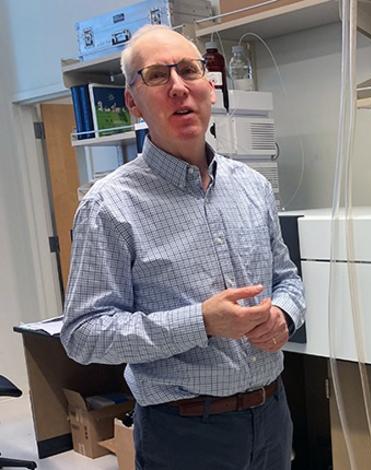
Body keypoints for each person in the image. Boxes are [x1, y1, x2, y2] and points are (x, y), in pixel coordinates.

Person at [61, 25, 305, 470]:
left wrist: (283, 314)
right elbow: (83, 334)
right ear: (132, 102)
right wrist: (201, 323)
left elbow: (287, 280)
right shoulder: (109, 207)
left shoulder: (252, 186)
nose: (178, 87)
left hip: (272, 417)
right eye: (155, 75)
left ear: (209, 87)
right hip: (184, 435)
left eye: (189, 70)